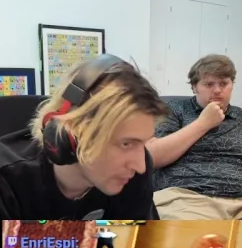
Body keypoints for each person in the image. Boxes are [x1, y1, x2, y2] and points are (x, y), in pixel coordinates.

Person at [0, 55, 168, 220]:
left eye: (142, 143)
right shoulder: (8, 180)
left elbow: (140, 244)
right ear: (71, 134)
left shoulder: (134, 172)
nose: (140, 166)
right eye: (126, 143)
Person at [148, 54, 242, 219]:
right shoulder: (174, 109)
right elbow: (153, 156)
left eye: (223, 83)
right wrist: (203, 123)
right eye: (209, 84)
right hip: (186, 198)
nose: (217, 90)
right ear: (194, 87)